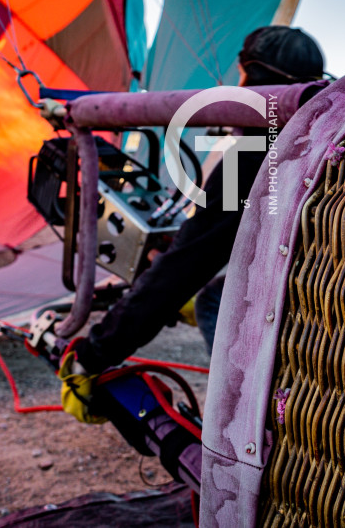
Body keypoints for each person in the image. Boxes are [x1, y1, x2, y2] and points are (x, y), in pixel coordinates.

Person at [57, 26, 326, 421]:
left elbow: (182, 271)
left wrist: (93, 354)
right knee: (213, 290)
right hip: (341, 294)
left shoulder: (252, 155)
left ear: (246, 72)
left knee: (213, 300)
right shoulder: (319, 134)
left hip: (310, 310)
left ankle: (257, 423)